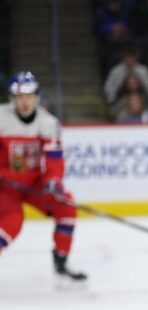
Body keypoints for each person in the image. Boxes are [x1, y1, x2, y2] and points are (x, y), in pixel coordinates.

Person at [0, 72, 86, 280]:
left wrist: (53, 182)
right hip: (5, 187)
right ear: (12, 99)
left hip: (34, 184)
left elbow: (54, 160)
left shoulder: (48, 123)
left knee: (66, 206)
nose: (25, 101)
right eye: (20, 96)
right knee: (12, 223)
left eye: (29, 96)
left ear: (37, 97)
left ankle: (61, 261)